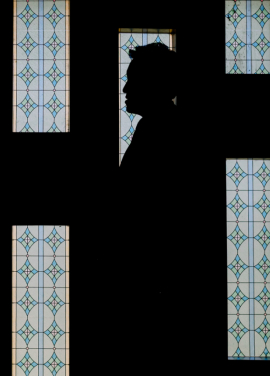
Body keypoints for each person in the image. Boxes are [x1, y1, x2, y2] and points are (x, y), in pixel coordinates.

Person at [116, 42, 192, 365]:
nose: (125, 88)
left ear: (154, 83)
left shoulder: (162, 132)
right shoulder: (160, 127)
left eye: (133, 79)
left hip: (153, 281)